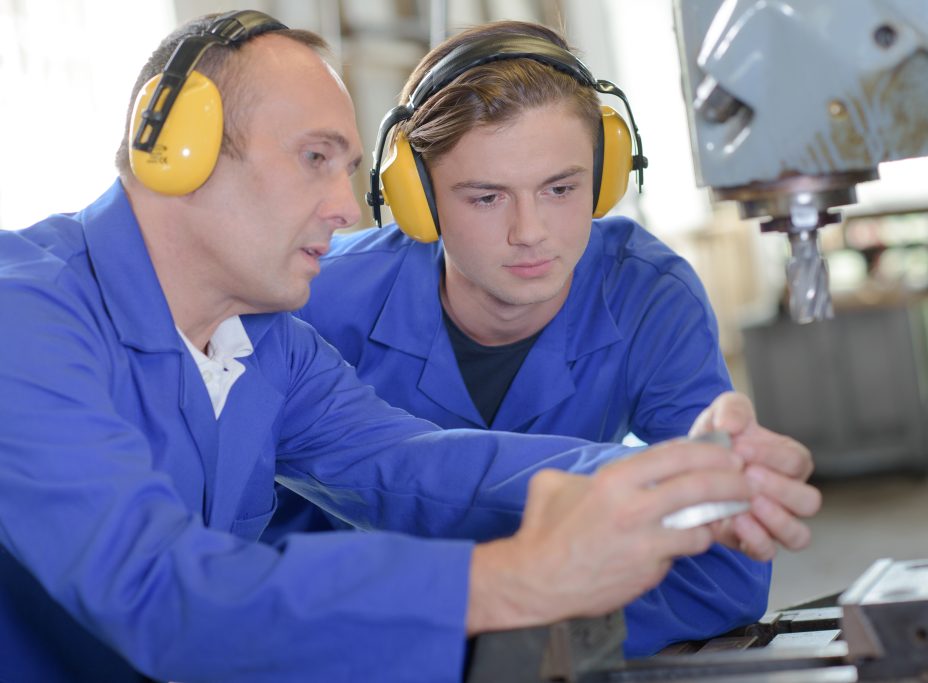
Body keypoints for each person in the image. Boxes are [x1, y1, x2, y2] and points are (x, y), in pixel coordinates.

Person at [0, 10, 819, 683]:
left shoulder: (268, 347)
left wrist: (670, 476)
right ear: (172, 149)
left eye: (348, 167)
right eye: (315, 158)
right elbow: (158, 590)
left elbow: (419, 464)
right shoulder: (23, 316)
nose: (343, 207)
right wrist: (508, 581)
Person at [269, 18, 816, 656]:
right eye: (485, 198)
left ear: (605, 178)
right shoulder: (311, 303)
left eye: (560, 188)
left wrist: (514, 643)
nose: (530, 231)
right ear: (418, 198)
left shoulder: (647, 294)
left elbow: (725, 575)